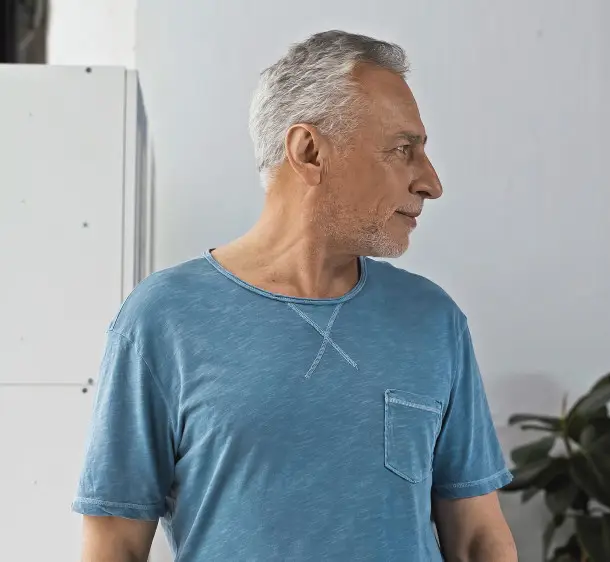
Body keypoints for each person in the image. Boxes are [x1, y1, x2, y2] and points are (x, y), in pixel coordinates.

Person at [72, 30, 517, 562]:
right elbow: (115, 544)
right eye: (403, 150)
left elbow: (477, 538)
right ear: (309, 151)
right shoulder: (162, 319)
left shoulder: (434, 320)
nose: (431, 182)